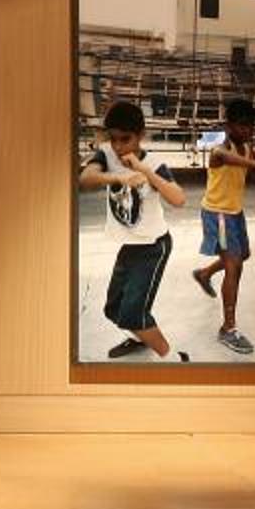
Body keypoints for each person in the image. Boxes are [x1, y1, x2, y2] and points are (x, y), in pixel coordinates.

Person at [81, 101, 191, 363]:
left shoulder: (154, 163)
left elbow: (178, 199)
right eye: (114, 139)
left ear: (141, 135)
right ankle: (141, 338)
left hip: (153, 246)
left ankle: (174, 359)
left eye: (126, 139)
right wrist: (119, 178)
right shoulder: (107, 154)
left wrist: (144, 171)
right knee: (113, 309)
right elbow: (86, 178)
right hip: (129, 246)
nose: (119, 146)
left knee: (133, 313)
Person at [188, 96, 255, 354]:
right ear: (229, 125)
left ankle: (204, 274)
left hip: (234, 212)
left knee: (242, 256)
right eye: (242, 125)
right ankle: (228, 328)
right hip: (218, 214)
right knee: (234, 266)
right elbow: (220, 155)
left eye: (251, 126)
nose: (247, 130)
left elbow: (252, 166)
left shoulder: (246, 148)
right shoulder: (220, 148)